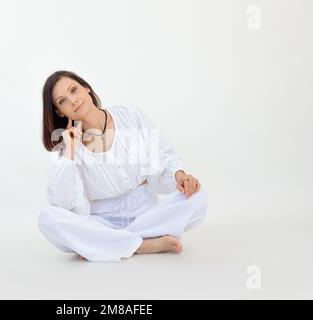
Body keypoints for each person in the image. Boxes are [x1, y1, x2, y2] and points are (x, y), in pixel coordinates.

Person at [39, 70, 208, 262]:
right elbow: (63, 205)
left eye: (74, 90)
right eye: (62, 101)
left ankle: (105, 244)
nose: (73, 100)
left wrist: (179, 175)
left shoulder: (129, 114)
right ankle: (141, 244)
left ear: (86, 88)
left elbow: (161, 154)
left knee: (197, 197)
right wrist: (69, 153)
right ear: (60, 112)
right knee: (46, 218)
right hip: (103, 221)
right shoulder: (68, 146)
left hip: (147, 214)